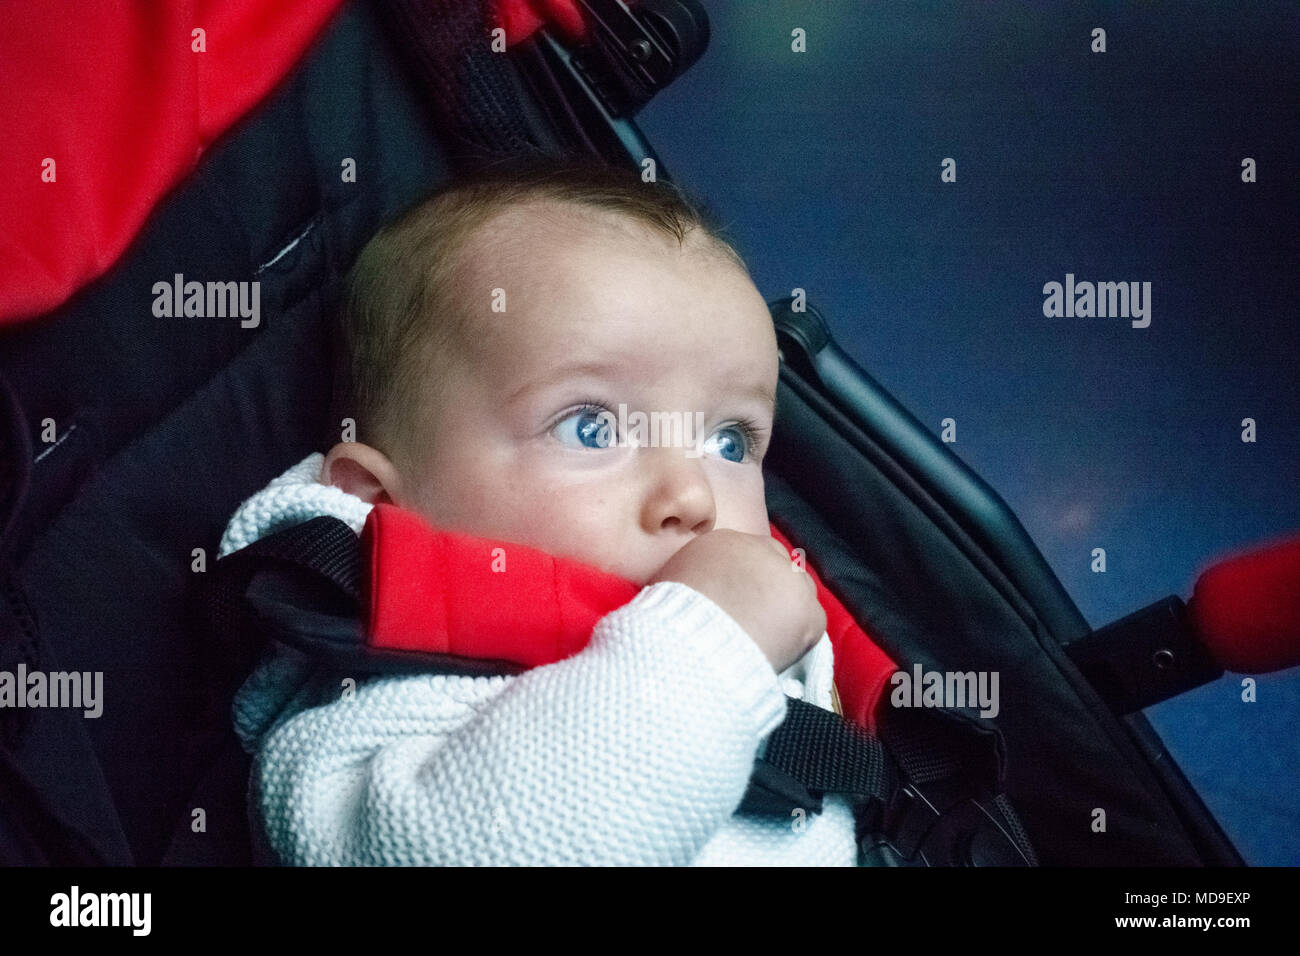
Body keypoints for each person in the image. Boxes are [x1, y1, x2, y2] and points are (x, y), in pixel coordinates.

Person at [225, 156, 862, 865]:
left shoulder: (750, 619)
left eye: (729, 440)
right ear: (381, 509)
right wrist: (709, 651)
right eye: (591, 427)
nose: (693, 495)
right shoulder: (362, 730)